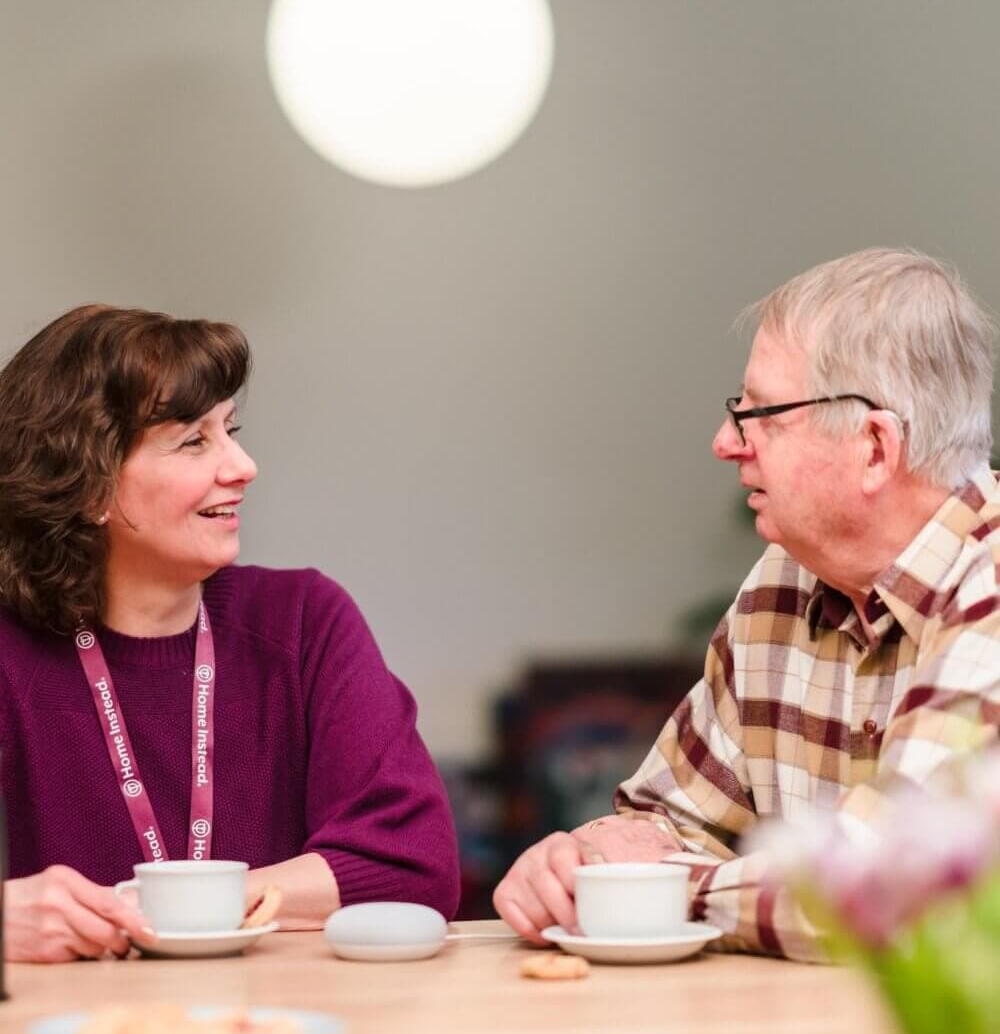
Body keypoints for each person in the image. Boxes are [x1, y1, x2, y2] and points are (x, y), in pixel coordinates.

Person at [494, 247, 1000, 962]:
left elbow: (887, 890)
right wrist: (579, 862)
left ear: (877, 448)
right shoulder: (782, 583)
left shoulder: (991, 585)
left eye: (761, 413)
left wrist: (654, 889)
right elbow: (666, 816)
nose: (726, 442)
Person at [0, 305, 460, 962]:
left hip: (280, 1028)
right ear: (87, 486)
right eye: (195, 440)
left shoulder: (305, 620)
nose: (243, 465)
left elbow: (414, 865)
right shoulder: (10, 653)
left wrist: (193, 905)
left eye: (231, 430)